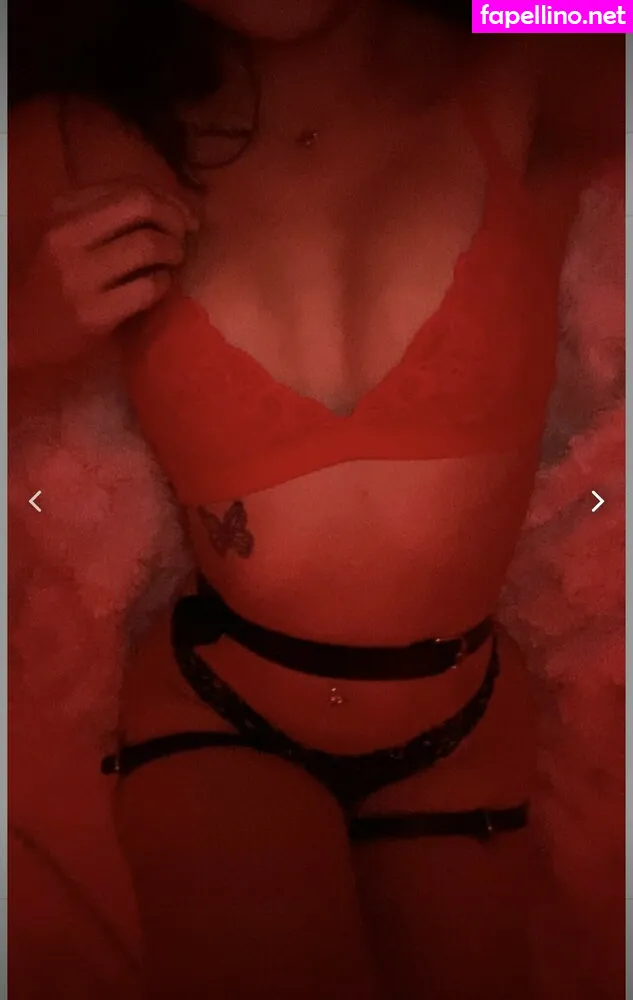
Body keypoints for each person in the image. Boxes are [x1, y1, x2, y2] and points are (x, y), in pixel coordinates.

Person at [9, 2, 623, 998]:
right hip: (224, 710)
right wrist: (18, 335)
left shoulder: (527, 60)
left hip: (462, 735)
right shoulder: (76, 137)